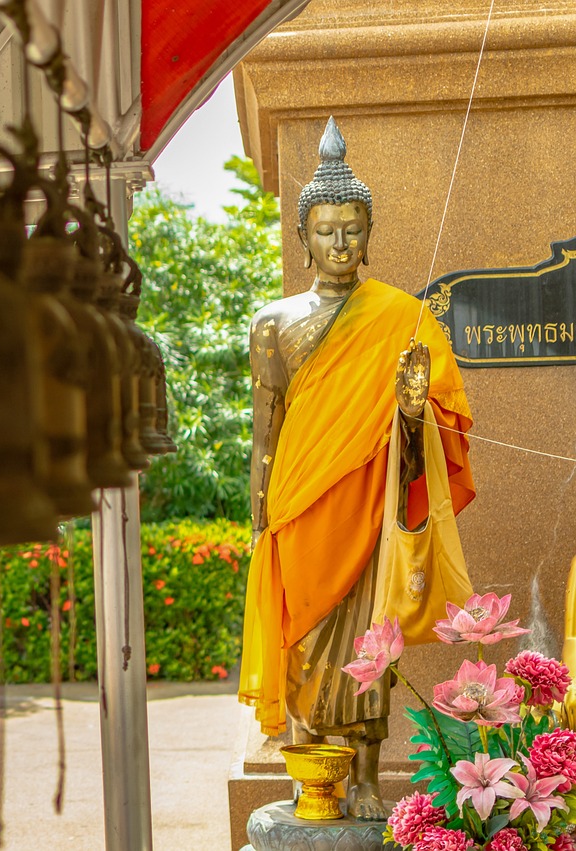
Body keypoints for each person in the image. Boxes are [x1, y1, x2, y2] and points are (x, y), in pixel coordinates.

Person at [238, 117, 476, 819]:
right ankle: (309, 768)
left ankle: (367, 776)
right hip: (298, 504)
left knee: (372, 637)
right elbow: (265, 430)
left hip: (369, 501)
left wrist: (410, 405)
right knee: (303, 636)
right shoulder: (273, 323)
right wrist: (259, 514)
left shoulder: (400, 316)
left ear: (368, 233)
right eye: (325, 229)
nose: (339, 242)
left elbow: (432, 425)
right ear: (301, 236)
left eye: (352, 228)